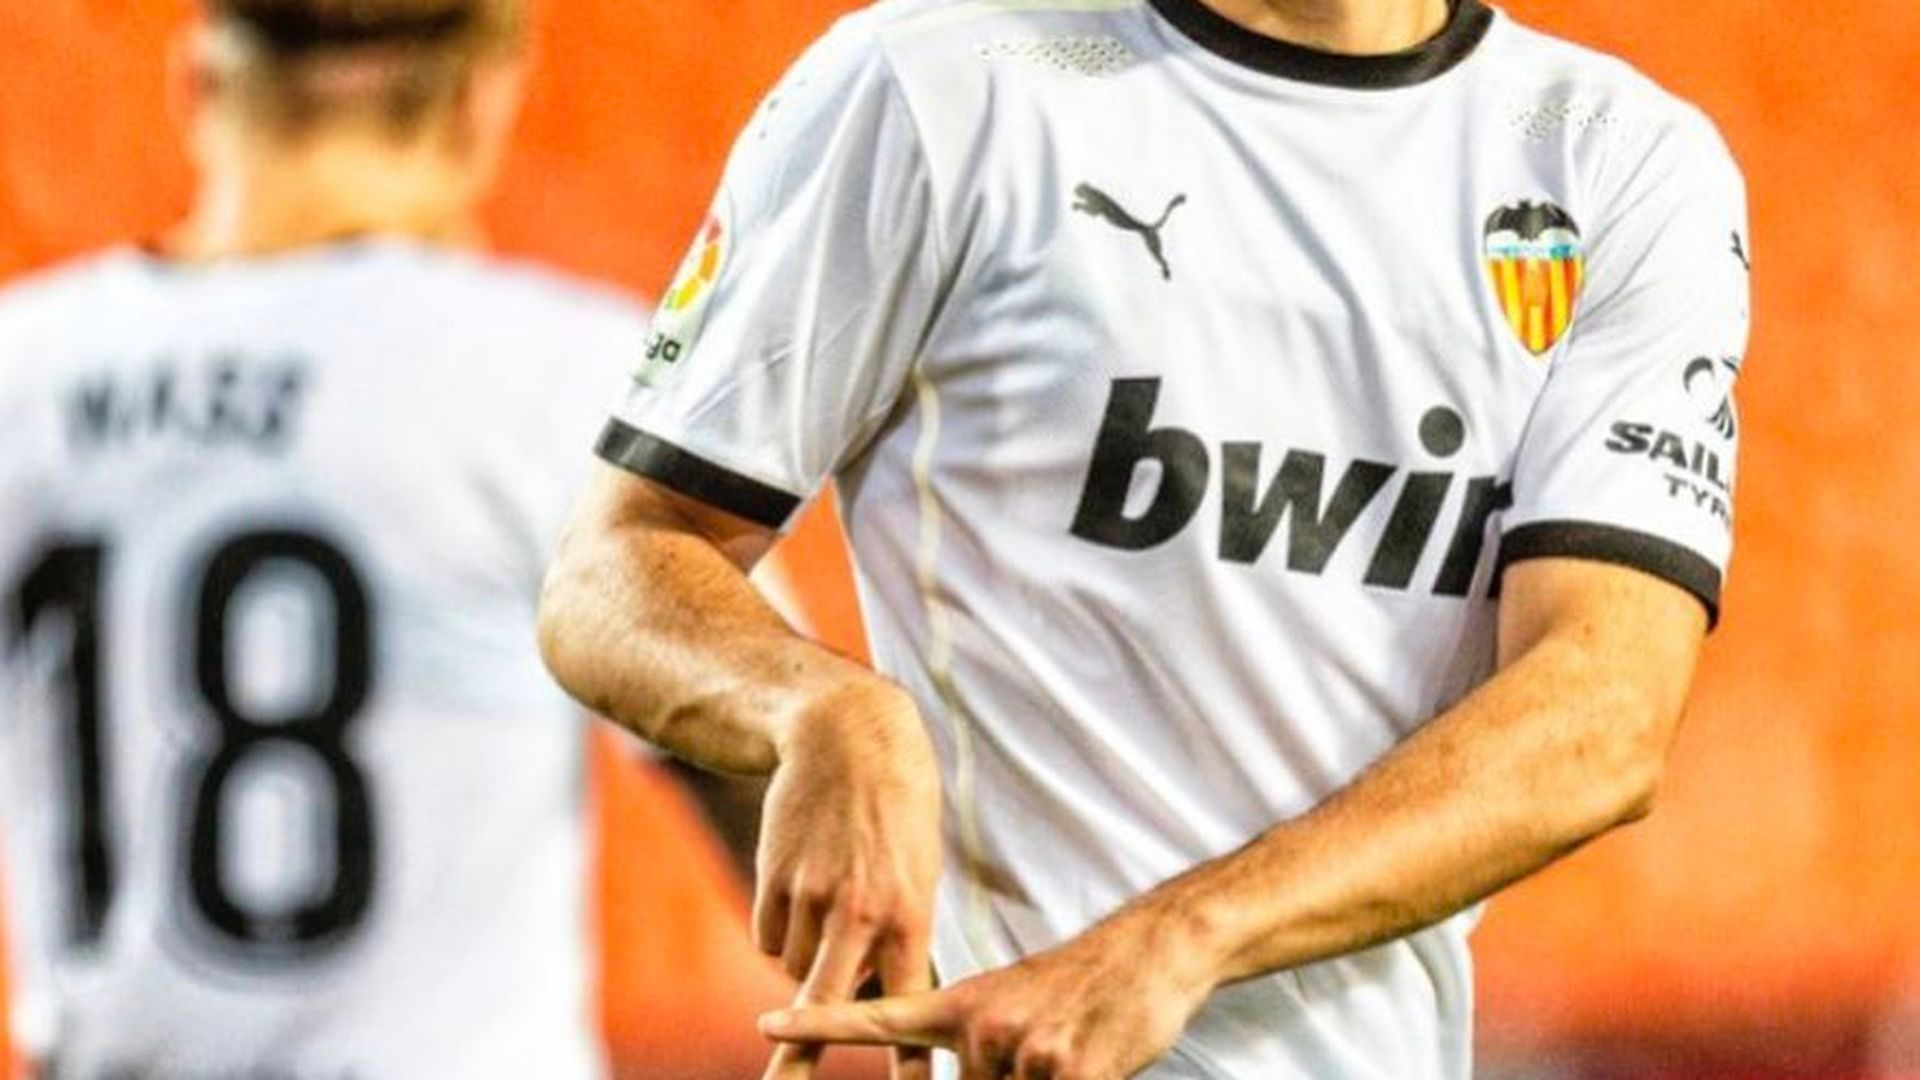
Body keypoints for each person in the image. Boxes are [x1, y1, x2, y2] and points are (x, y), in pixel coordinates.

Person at [537, 0, 1752, 1074]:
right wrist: (817, 707)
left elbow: (1603, 712)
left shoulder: (1618, 161)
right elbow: (611, 568)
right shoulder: (940, 86)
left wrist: (1182, 939)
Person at [0, 1, 640, 1075]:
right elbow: (776, 789)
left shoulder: (22, 370)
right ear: (480, 101)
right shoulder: (555, 375)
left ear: (197, 86)